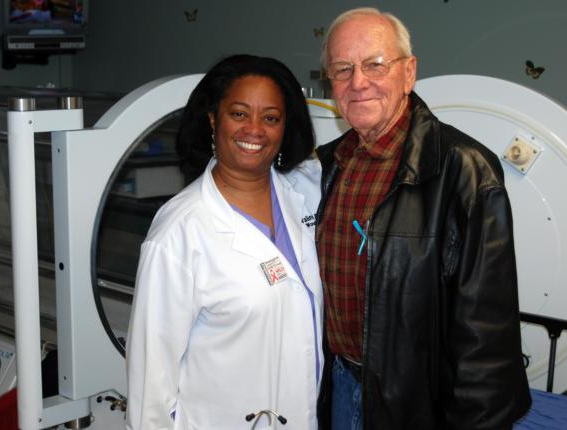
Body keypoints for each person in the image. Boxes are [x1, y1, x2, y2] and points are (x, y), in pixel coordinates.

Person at [316, 7, 531, 430]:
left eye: (375, 64)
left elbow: (485, 334)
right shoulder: (329, 166)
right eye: (342, 69)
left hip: (419, 404)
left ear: (409, 72)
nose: (358, 83)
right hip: (337, 384)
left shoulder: (463, 169)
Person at [126, 54, 323, 430]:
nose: (255, 130)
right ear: (213, 119)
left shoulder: (302, 195)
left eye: (271, 118)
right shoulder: (180, 230)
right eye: (238, 113)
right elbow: (151, 382)